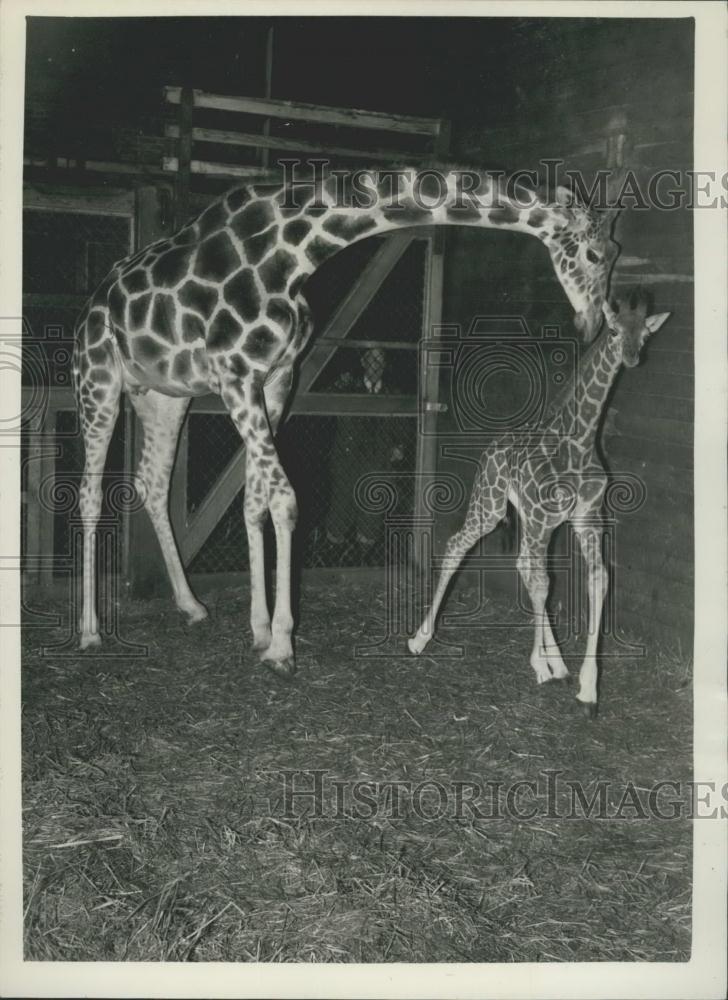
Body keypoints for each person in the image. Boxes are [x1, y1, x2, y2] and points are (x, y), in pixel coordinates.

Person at [323, 347, 405, 563]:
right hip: (347, 460)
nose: (376, 366)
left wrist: (399, 446)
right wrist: (338, 382)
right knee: (341, 509)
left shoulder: (393, 393)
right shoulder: (348, 387)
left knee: (372, 513)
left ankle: (362, 559)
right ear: (363, 362)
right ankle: (332, 559)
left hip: (378, 461)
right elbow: (324, 397)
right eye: (371, 360)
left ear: (385, 365)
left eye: (380, 360)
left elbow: (402, 427)